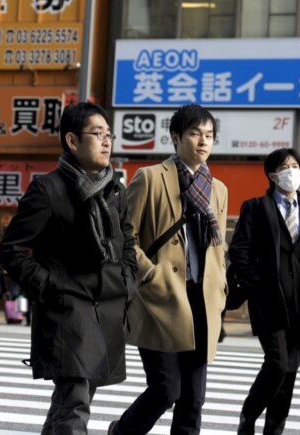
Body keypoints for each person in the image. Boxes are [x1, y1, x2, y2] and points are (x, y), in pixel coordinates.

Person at [0, 101, 137, 434]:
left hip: (107, 308)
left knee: (74, 397)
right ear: (72, 141)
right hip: (69, 310)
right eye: (97, 134)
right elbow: (12, 250)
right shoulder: (48, 189)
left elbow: (128, 242)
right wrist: (51, 288)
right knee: (75, 402)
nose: (106, 141)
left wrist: (128, 280)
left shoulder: (114, 190)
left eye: (109, 134)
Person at [112, 104, 229, 435]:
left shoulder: (217, 189)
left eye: (208, 135)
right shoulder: (150, 178)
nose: (202, 141)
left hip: (201, 303)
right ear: (176, 137)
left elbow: (217, 248)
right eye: (194, 133)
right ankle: (121, 432)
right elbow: (123, 237)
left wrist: (220, 289)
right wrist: (149, 274)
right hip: (160, 299)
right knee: (166, 389)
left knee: (194, 399)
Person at [229, 148, 300, 435]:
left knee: (291, 372)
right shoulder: (256, 207)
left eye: (296, 165)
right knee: (278, 365)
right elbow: (240, 250)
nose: (292, 171)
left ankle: (274, 430)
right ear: (273, 175)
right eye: (286, 167)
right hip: (269, 301)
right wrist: (258, 283)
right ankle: (248, 416)